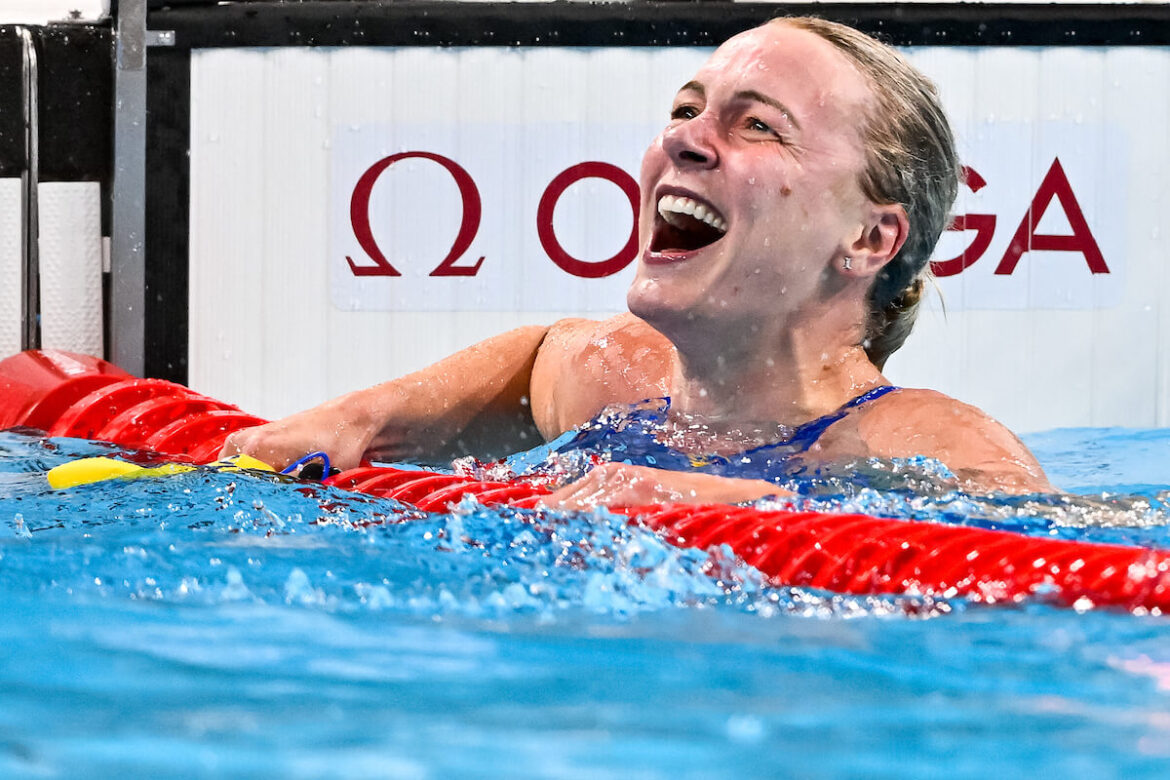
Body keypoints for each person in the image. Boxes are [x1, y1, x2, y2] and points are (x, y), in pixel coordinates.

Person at [221, 17, 1053, 504]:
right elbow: (540, 358)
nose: (684, 140)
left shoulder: (915, 441)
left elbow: (1046, 549)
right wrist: (364, 417)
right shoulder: (624, 383)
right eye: (687, 109)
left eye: (758, 125)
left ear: (870, 240)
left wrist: (749, 506)